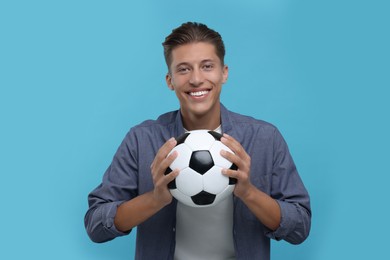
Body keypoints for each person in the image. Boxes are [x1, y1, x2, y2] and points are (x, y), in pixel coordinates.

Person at [85, 22, 311, 260]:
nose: (196, 79)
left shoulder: (265, 138)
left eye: (207, 66)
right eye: (183, 69)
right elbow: (96, 226)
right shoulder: (141, 140)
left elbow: (300, 228)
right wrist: (154, 199)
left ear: (224, 73)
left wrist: (249, 193)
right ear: (170, 80)